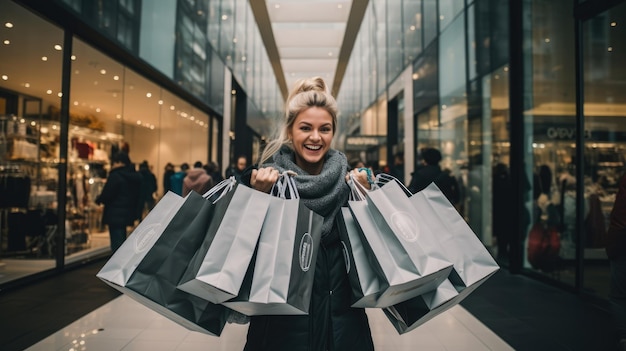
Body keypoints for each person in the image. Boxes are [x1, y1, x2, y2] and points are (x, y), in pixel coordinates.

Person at [242, 76, 375, 351]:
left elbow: (373, 259)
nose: (316, 137)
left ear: (333, 133)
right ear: (291, 132)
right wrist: (257, 198)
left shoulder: (351, 184)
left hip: (344, 332)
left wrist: (365, 198)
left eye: (324, 129)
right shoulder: (265, 183)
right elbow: (240, 255)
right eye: (306, 128)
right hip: (279, 333)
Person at [95, 152, 142, 252]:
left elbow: (107, 194)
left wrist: (99, 200)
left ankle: (117, 265)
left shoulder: (115, 176)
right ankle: (121, 263)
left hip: (115, 213)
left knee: (116, 243)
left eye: (115, 162)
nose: (113, 165)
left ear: (120, 162)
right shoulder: (133, 176)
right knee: (121, 241)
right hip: (127, 212)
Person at [607, 173, 626, 350]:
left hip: (623, 245)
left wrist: (612, 247)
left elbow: (621, 217)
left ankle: (623, 339)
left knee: (620, 296)